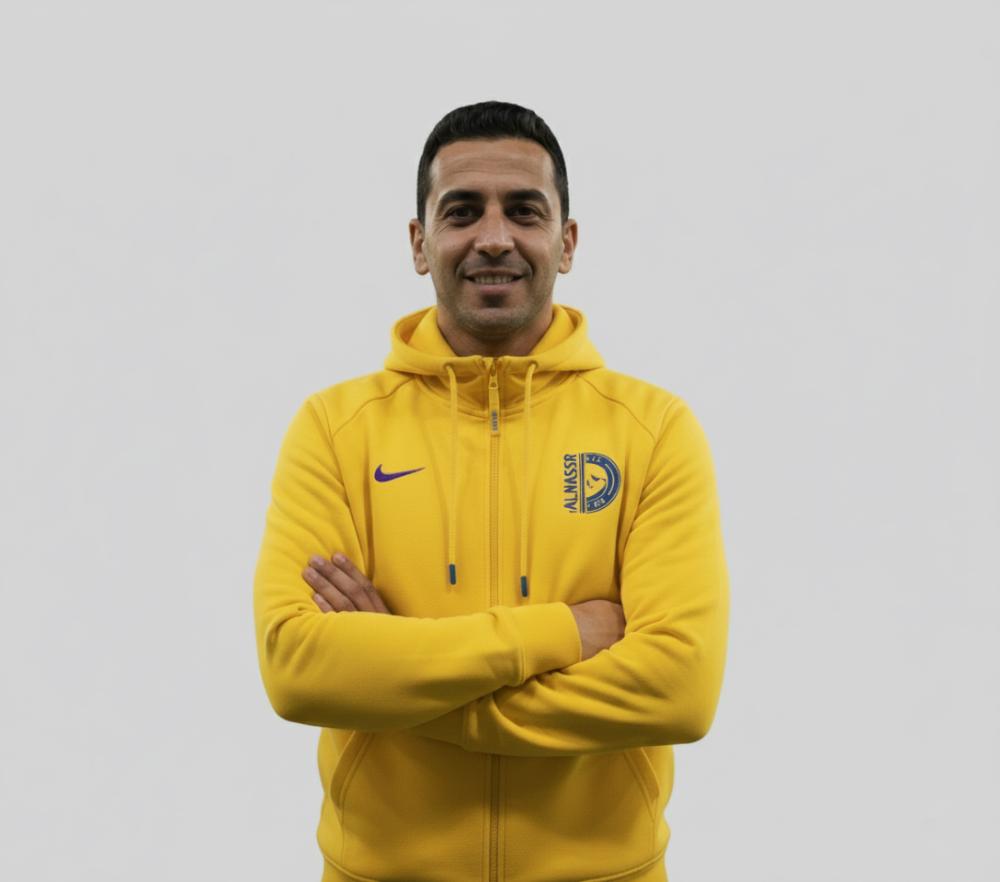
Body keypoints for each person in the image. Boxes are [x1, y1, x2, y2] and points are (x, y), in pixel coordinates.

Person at [252, 100, 730, 882]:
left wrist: (398, 682)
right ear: (420, 243)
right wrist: (563, 633)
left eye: (525, 211)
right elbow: (298, 669)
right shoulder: (336, 428)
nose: (495, 237)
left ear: (566, 241)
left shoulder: (653, 430)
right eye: (463, 211)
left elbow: (679, 690)